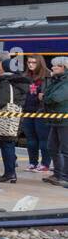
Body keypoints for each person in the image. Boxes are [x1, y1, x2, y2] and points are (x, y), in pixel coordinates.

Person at [0, 57, 30, 183]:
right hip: (14, 118)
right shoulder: (20, 82)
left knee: (6, 145)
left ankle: (10, 173)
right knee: (9, 144)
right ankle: (10, 173)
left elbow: (0, 101)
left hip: (4, 118)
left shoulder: (6, 82)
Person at [21, 55, 51, 173]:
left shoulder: (47, 76)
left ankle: (45, 164)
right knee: (31, 139)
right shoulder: (25, 76)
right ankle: (33, 162)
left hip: (42, 112)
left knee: (43, 140)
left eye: (33, 62)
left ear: (39, 63)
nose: (30, 65)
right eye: (29, 62)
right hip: (28, 111)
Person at [42, 57, 68, 186]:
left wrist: (46, 98)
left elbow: (57, 97)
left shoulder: (66, 82)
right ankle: (58, 174)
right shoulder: (57, 80)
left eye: (55, 66)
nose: (52, 68)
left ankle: (65, 177)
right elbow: (47, 93)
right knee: (52, 147)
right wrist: (47, 96)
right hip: (56, 119)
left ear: (63, 67)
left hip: (65, 120)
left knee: (65, 149)